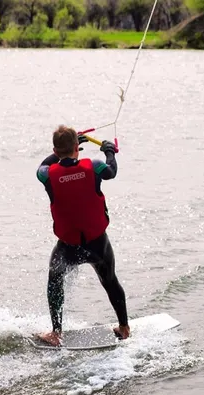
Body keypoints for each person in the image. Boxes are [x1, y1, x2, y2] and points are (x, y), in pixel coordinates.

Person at [36, 125, 130, 346]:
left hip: (68, 246)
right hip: (98, 243)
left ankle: (56, 333)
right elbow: (111, 171)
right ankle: (124, 327)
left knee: (54, 282)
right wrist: (109, 151)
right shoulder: (94, 167)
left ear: (55, 150)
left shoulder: (46, 175)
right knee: (109, 281)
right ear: (77, 148)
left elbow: (43, 165)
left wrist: (60, 152)